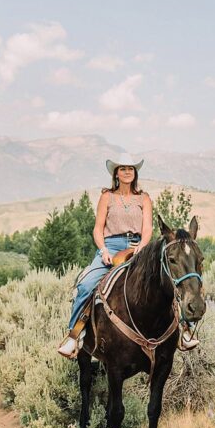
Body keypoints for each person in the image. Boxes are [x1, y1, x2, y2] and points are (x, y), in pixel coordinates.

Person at [57, 153, 152, 359]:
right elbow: (97, 229)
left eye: (130, 168)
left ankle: (183, 330)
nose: (127, 171)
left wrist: (141, 247)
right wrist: (104, 250)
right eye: (123, 168)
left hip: (138, 246)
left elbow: (148, 229)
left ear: (135, 173)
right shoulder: (107, 197)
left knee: (163, 281)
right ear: (116, 173)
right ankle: (75, 335)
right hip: (111, 245)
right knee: (86, 284)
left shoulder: (144, 198)